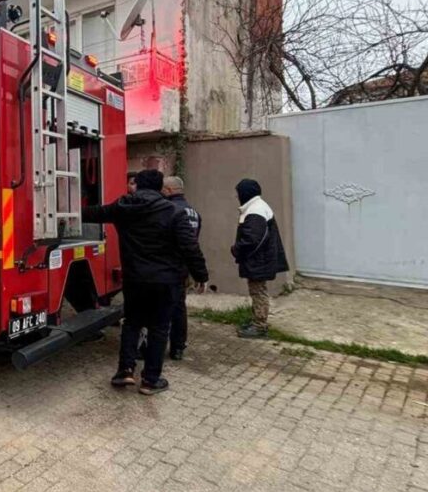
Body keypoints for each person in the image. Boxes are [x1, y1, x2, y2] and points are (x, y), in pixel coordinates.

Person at [83, 169, 208, 395]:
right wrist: (201, 275)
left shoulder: (123, 207)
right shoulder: (173, 212)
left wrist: (58, 211)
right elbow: (190, 247)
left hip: (135, 280)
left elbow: (93, 213)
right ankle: (150, 380)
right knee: (159, 328)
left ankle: (125, 371)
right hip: (166, 281)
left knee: (132, 323)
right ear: (161, 188)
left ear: (137, 185)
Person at [231, 178, 289, 338]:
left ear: (245, 193)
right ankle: (257, 320)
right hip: (260, 258)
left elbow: (251, 239)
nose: (237, 196)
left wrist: (236, 249)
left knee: (258, 292)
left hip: (258, 260)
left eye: (238, 193)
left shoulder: (254, 211)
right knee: (257, 290)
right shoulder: (258, 207)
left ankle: (259, 325)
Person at [162, 175, 201, 360]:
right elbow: (193, 244)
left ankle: (153, 348)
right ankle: (178, 348)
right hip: (183, 268)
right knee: (179, 308)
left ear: (169, 190)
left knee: (160, 309)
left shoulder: (169, 210)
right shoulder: (194, 212)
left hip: (166, 266)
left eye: (163, 189)